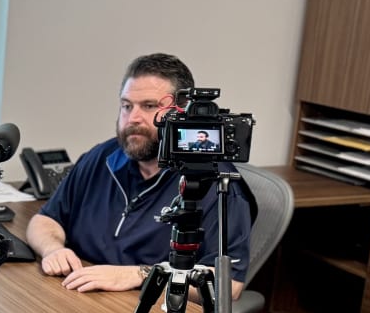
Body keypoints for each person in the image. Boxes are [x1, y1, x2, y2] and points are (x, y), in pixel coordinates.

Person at [23, 53, 251, 299]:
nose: (133, 118)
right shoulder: (103, 157)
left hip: (152, 308)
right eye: (127, 106)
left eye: (149, 106)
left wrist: (140, 274)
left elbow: (229, 284)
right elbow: (45, 220)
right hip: (78, 293)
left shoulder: (216, 182)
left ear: (182, 112)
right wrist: (53, 250)